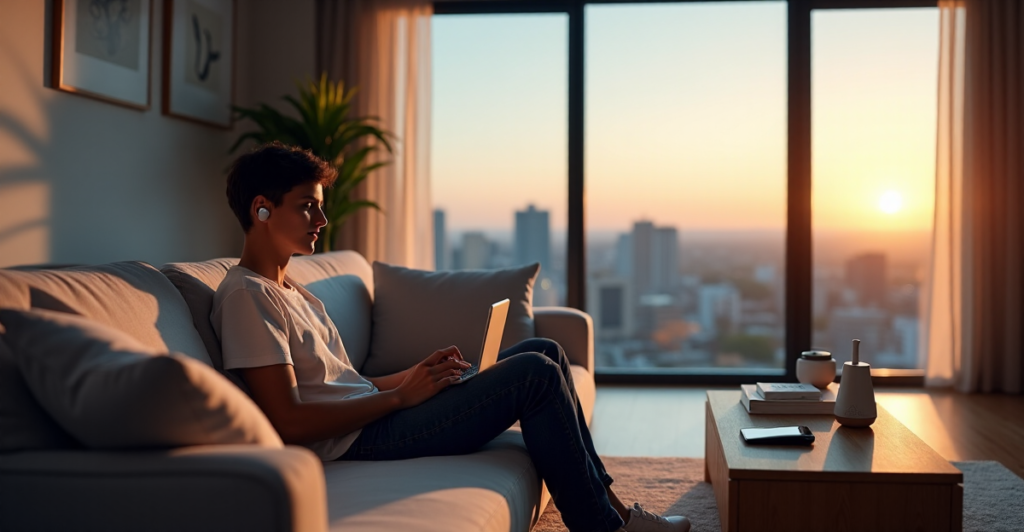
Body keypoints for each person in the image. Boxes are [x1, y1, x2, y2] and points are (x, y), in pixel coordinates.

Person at [211, 143, 691, 532]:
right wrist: (401, 399)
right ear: (263, 211)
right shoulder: (246, 297)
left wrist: (420, 375)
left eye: (321, 206)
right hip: (357, 440)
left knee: (543, 349)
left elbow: (344, 383)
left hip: (372, 417)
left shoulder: (289, 288)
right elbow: (289, 421)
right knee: (535, 375)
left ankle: (620, 516)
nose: (322, 219)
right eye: (308, 207)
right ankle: (606, 529)